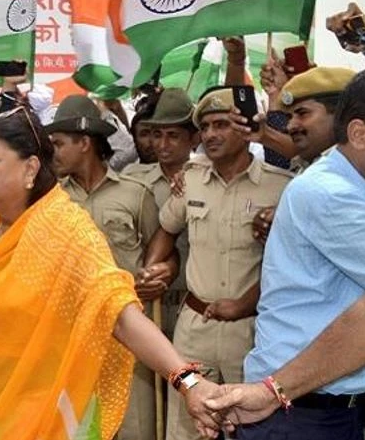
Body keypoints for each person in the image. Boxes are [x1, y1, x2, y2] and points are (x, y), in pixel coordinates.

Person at [0, 106, 223, 440]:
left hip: (50, 417)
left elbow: (119, 314)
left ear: (30, 168)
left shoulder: (64, 232)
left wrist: (186, 381)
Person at [202, 65, 365, 440]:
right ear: (360, 134)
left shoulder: (359, 185)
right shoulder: (331, 194)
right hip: (301, 413)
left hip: (318, 404)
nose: (294, 124)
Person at [143, 87, 293, 440]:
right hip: (194, 329)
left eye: (222, 124)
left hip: (254, 332)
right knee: (186, 428)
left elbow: (289, 262)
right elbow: (166, 228)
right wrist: (151, 269)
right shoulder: (191, 180)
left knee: (254, 427)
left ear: (244, 128)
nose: (211, 134)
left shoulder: (282, 187)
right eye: (206, 126)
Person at [46, 95, 161, 440]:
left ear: (84, 143)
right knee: (76, 427)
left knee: (133, 428)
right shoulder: (52, 200)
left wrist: (163, 270)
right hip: (71, 336)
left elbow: (162, 250)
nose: (54, 152)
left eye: (59, 144)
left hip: (128, 335)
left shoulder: (136, 195)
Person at [244, 67, 355, 245]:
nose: (290, 126)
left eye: (302, 114)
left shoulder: (357, 173)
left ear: (343, 115)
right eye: (290, 116)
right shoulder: (311, 166)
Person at [124, 88, 199, 339]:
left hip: (192, 306)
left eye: (173, 136)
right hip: (147, 303)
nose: (162, 145)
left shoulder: (207, 178)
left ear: (193, 138)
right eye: (157, 135)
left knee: (187, 376)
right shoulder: (132, 179)